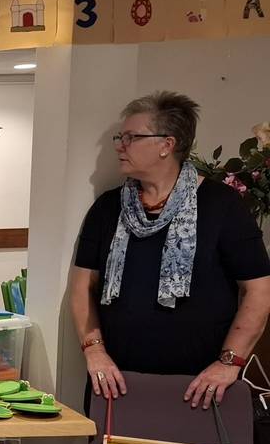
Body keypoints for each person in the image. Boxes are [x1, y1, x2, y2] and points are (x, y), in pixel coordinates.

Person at [71, 91, 270, 409]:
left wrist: (229, 362)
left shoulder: (222, 205)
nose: (120, 145)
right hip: (116, 381)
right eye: (120, 137)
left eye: (131, 137)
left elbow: (258, 290)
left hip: (200, 388)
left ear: (167, 145)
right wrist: (94, 350)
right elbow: (82, 287)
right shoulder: (108, 208)